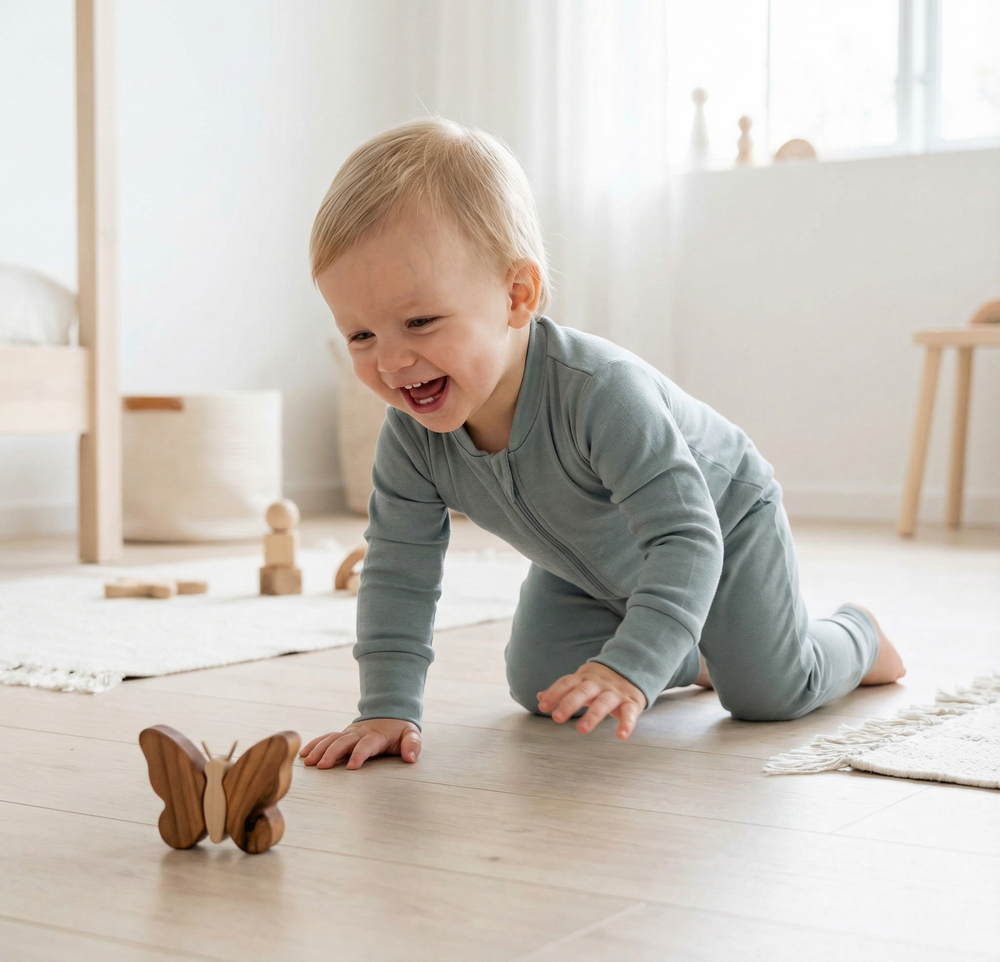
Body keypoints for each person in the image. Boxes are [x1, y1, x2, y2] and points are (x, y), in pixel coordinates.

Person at [300, 119, 905, 771]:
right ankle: (689, 647)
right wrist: (387, 707)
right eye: (360, 336)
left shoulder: (601, 393)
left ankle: (858, 637)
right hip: (587, 563)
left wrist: (631, 668)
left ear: (517, 296)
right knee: (544, 684)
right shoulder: (411, 439)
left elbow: (686, 539)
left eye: (420, 321)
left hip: (718, 527)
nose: (391, 361)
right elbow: (398, 570)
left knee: (769, 693)